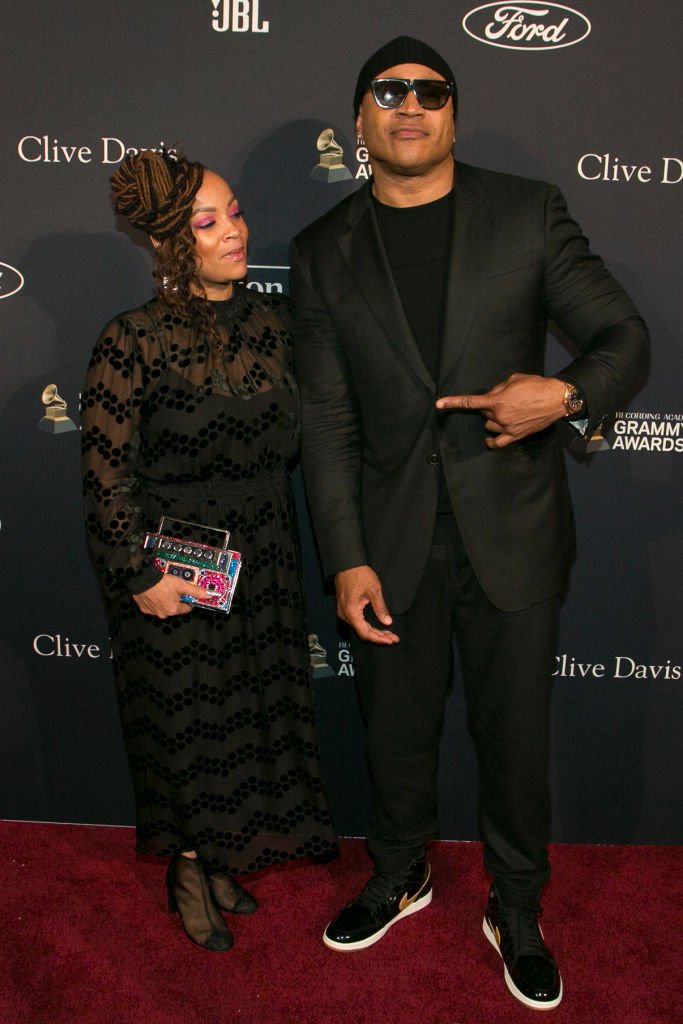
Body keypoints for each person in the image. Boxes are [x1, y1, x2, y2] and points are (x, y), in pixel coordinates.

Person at [290, 36, 648, 1009]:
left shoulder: (524, 215)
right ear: (359, 118)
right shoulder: (323, 249)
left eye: (430, 92)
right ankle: (399, 871)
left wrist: (562, 395)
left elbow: (623, 337)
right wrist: (345, 558)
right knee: (393, 733)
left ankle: (517, 908)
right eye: (387, 91)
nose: (410, 105)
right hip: (389, 534)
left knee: (513, 740)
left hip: (513, 530)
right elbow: (324, 418)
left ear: (452, 112)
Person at [82, 149, 337, 952]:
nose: (234, 231)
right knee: (184, 720)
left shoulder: (275, 325)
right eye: (208, 221)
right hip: (172, 563)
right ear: (168, 242)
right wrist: (139, 573)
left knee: (246, 719)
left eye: (234, 212)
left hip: (261, 559)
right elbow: (106, 475)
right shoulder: (131, 340)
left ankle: (221, 852)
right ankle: (189, 867)